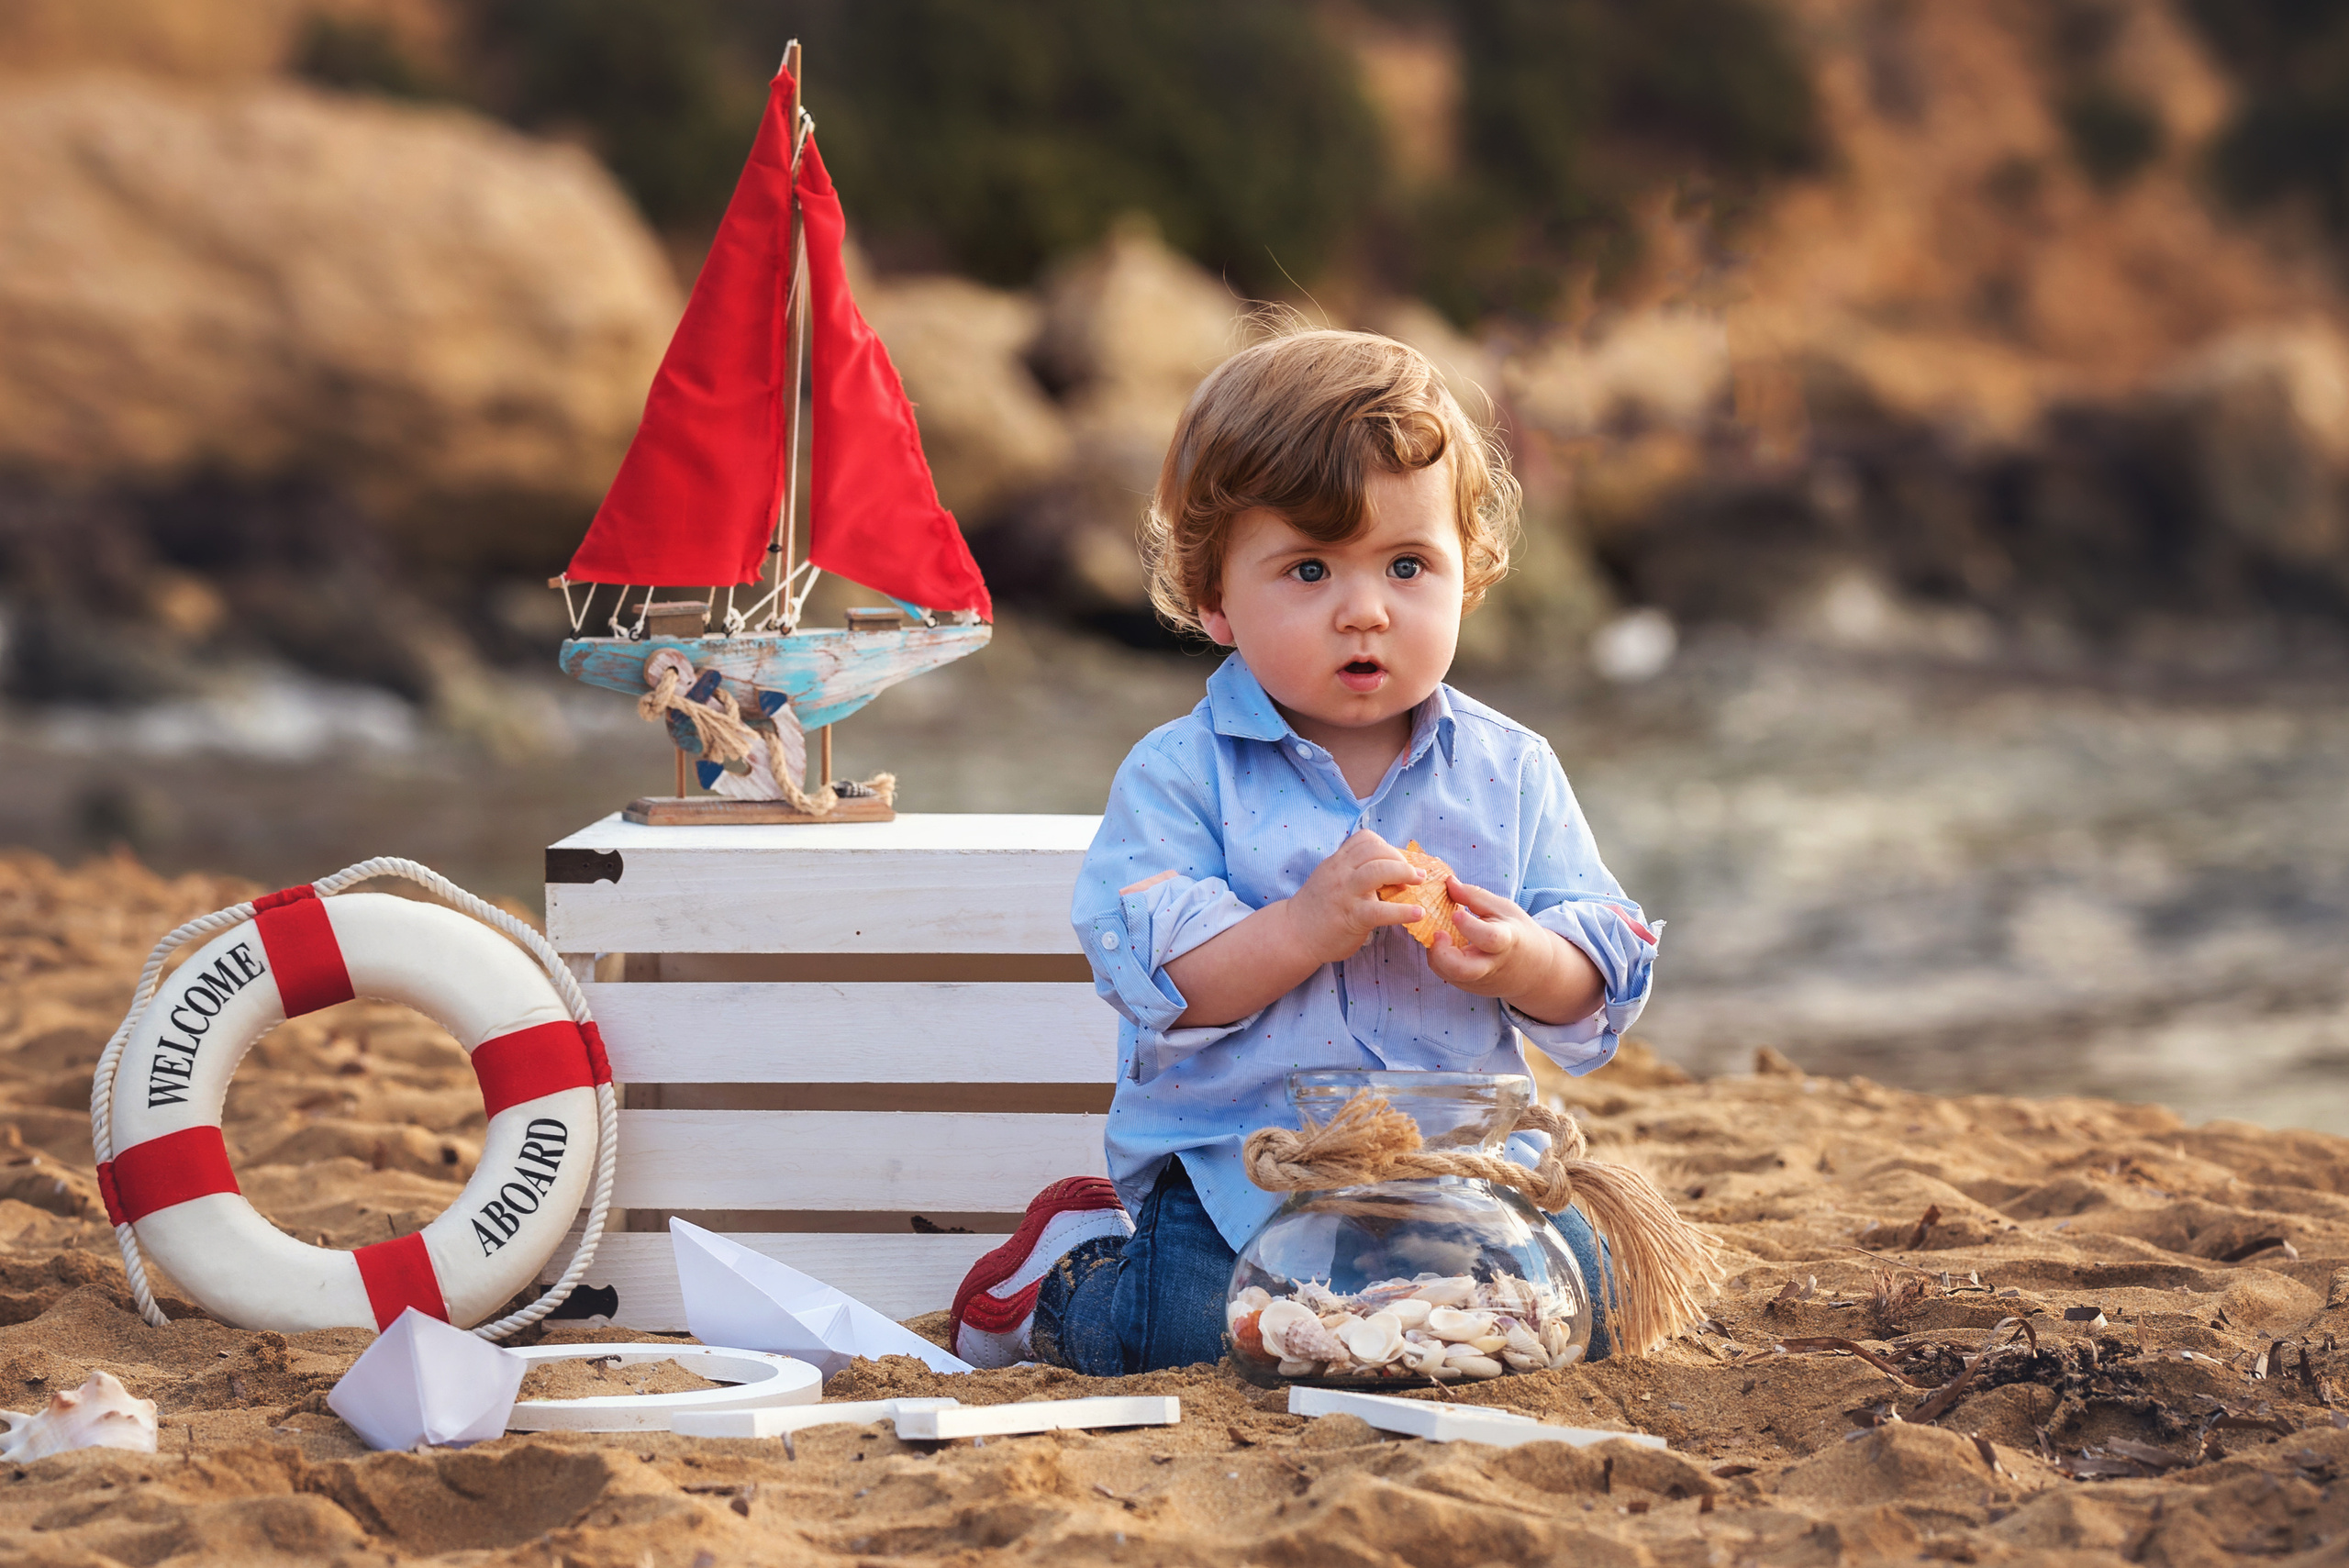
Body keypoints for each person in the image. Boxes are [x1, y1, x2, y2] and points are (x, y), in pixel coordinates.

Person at [950, 328, 1658, 1373]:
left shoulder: (1508, 770)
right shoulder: (1183, 774)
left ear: (1470, 575)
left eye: (1408, 564)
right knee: (1197, 1327)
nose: (1364, 608)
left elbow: (1599, 965)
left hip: (1456, 1169)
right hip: (1248, 1176)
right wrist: (1303, 925)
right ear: (1216, 597)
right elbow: (1165, 978)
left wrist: (1521, 960)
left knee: (1579, 1306)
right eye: (1310, 568)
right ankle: (1061, 1280)